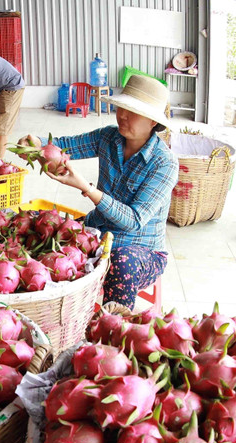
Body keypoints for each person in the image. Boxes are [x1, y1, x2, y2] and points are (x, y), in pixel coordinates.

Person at [20, 75, 178, 308]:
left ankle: (111, 330)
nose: (122, 116)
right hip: (97, 232)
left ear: (153, 121)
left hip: (139, 250)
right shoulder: (108, 137)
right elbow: (67, 145)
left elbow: (133, 221)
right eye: (121, 108)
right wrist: (38, 143)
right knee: (39, 226)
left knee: (121, 262)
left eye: (132, 112)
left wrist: (86, 189)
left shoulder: (164, 163)